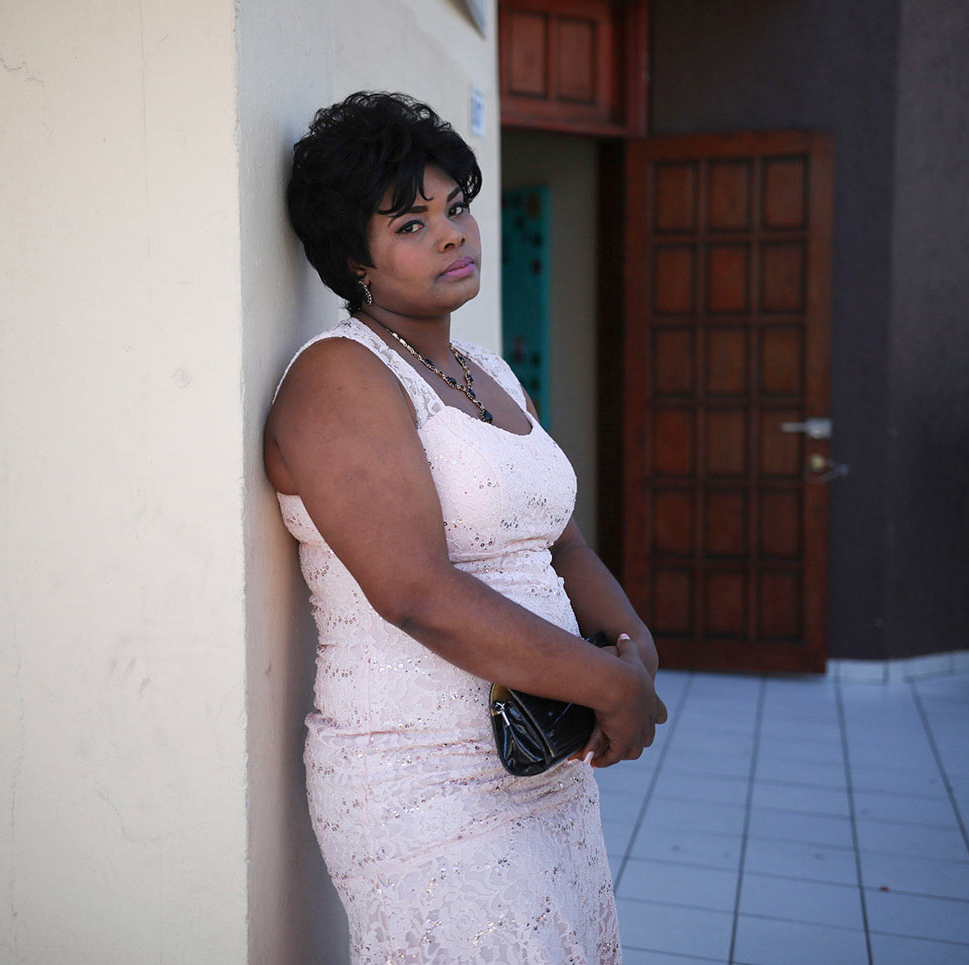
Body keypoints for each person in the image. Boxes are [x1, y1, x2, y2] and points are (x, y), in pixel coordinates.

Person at [264, 91, 667, 962]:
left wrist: (633, 649)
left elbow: (561, 542)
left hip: (539, 753)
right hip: (420, 776)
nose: (453, 233)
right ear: (351, 258)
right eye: (411, 222)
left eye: (456, 208)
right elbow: (415, 592)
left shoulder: (485, 368)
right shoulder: (340, 375)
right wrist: (607, 683)